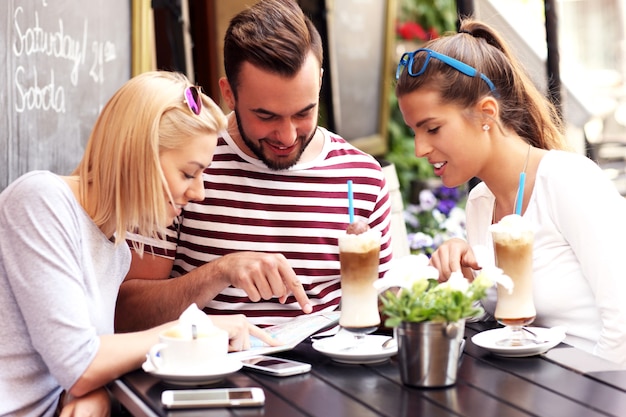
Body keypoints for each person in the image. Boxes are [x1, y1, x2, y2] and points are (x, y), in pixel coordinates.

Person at [0, 71, 277, 416]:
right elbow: (80, 364)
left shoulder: (116, 249)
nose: (199, 192)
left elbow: (82, 364)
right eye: (188, 173)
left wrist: (88, 392)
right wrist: (192, 328)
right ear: (138, 155)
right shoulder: (40, 201)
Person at [115, 0, 393, 331]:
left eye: (304, 112)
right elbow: (126, 315)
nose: (287, 135)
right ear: (228, 94)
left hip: (333, 378)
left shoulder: (362, 178)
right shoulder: (185, 166)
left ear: (319, 82)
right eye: (266, 115)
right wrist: (220, 272)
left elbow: (384, 311)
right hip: (211, 377)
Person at [395, 18, 626, 365]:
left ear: (487, 113)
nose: (419, 149)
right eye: (415, 131)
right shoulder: (480, 201)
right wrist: (462, 278)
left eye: (432, 128)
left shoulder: (568, 181)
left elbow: (623, 325)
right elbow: (499, 324)